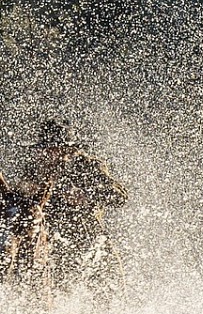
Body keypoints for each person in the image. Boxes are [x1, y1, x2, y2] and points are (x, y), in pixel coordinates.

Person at [11, 119, 128, 290]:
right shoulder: (34, 170)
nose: (49, 154)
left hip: (89, 238)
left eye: (55, 149)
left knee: (110, 283)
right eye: (46, 149)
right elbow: (18, 198)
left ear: (69, 150)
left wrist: (88, 195)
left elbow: (120, 196)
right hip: (49, 241)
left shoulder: (88, 166)